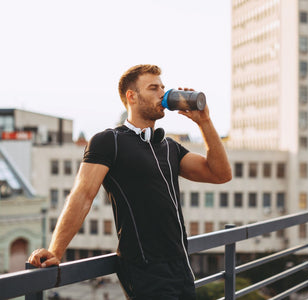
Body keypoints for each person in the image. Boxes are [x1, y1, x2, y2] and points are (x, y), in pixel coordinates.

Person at [28, 64, 232, 299]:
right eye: (153, 88)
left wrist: (204, 122)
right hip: (145, 273)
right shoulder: (108, 141)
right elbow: (82, 195)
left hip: (182, 269)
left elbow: (220, 174)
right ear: (131, 96)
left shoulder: (169, 147)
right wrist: (56, 250)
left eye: (163, 88)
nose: (162, 94)